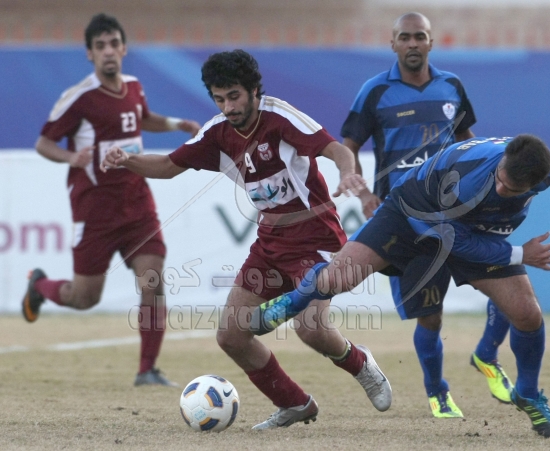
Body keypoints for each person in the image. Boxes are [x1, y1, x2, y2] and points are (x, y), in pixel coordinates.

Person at [100, 49, 393, 429]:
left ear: (255, 90)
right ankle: (295, 404)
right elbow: (169, 166)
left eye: (235, 96)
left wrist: (348, 173)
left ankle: (360, 364)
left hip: (315, 237)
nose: (229, 107)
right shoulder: (217, 133)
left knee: (311, 330)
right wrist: (127, 160)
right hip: (269, 243)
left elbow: (336, 149)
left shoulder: (280, 117)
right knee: (231, 335)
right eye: (219, 99)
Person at [252, 135, 550, 438]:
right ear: (502, 161)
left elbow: (465, 236)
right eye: (500, 179)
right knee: (338, 279)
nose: (500, 188)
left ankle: (528, 394)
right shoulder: (468, 180)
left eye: (511, 189)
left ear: (535, 183)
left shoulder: (544, 173)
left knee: (527, 314)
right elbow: (451, 240)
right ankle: (293, 302)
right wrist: (520, 254)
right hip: (412, 213)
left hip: (474, 230)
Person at [340, 11, 512, 417]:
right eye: (405, 37)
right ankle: (438, 393)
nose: (413, 43)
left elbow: (470, 141)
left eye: (420, 36)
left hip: (461, 213)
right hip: (408, 219)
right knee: (431, 318)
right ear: (393, 44)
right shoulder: (375, 91)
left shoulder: (451, 86)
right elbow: (348, 145)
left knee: (509, 287)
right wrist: (363, 193)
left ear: (431, 42)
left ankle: (486, 354)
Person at [22, 13, 201, 387]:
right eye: (100, 46)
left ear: (124, 48)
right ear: (89, 53)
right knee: (84, 298)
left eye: (113, 44)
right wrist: (72, 157)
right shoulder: (79, 98)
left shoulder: (133, 86)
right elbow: (43, 142)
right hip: (95, 212)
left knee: (152, 280)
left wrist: (176, 124)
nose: (108, 51)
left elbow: (142, 118)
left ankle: (147, 370)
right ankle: (39, 285)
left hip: (137, 204)